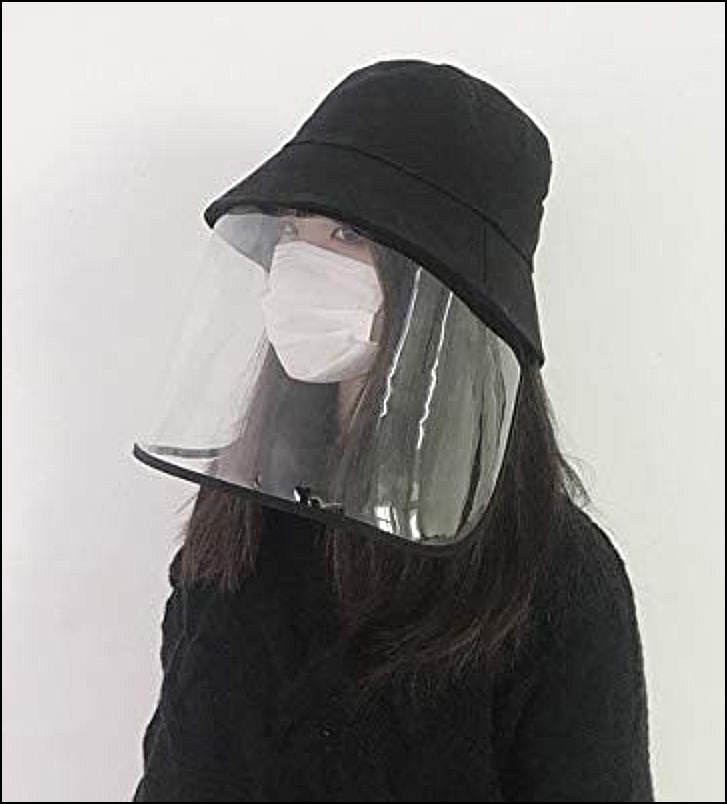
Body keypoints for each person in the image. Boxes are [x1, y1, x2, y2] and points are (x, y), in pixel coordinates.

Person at [132, 59, 655, 802]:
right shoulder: (240, 528)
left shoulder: (552, 585)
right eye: (293, 229)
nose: (300, 262)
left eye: (346, 232)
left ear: (447, 289)